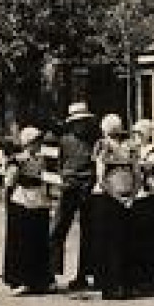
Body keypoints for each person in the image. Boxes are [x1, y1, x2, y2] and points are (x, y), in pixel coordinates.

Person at [88, 114, 141, 300]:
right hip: (108, 199)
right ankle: (112, 285)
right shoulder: (103, 146)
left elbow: (137, 173)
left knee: (125, 241)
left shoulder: (129, 147)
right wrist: (121, 197)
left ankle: (125, 283)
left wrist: (131, 195)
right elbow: (101, 179)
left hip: (124, 198)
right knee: (111, 242)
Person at [49, 102, 100, 291]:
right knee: (58, 228)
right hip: (69, 187)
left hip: (88, 188)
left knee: (89, 232)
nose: (81, 125)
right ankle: (50, 273)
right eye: (78, 122)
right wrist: (66, 178)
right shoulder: (65, 140)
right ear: (72, 124)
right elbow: (60, 164)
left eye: (84, 122)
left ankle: (84, 275)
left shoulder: (95, 140)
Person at [2, 126, 54, 295]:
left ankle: (40, 280)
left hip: (39, 200)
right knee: (22, 242)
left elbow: (42, 179)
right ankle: (21, 280)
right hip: (22, 200)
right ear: (28, 144)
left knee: (39, 240)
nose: (38, 145)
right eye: (35, 142)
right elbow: (9, 183)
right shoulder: (17, 160)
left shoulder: (40, 159)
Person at [127, 119, 154, 290]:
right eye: (135, 133)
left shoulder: (153, 149)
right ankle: (139, 274)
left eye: (140, 134)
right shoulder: (134, 149)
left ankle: (152, 274)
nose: (137, 137)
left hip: (150, 196)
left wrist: (135, 164)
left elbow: (149, 166)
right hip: (138, 196)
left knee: (151, 236)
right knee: (138, 236)